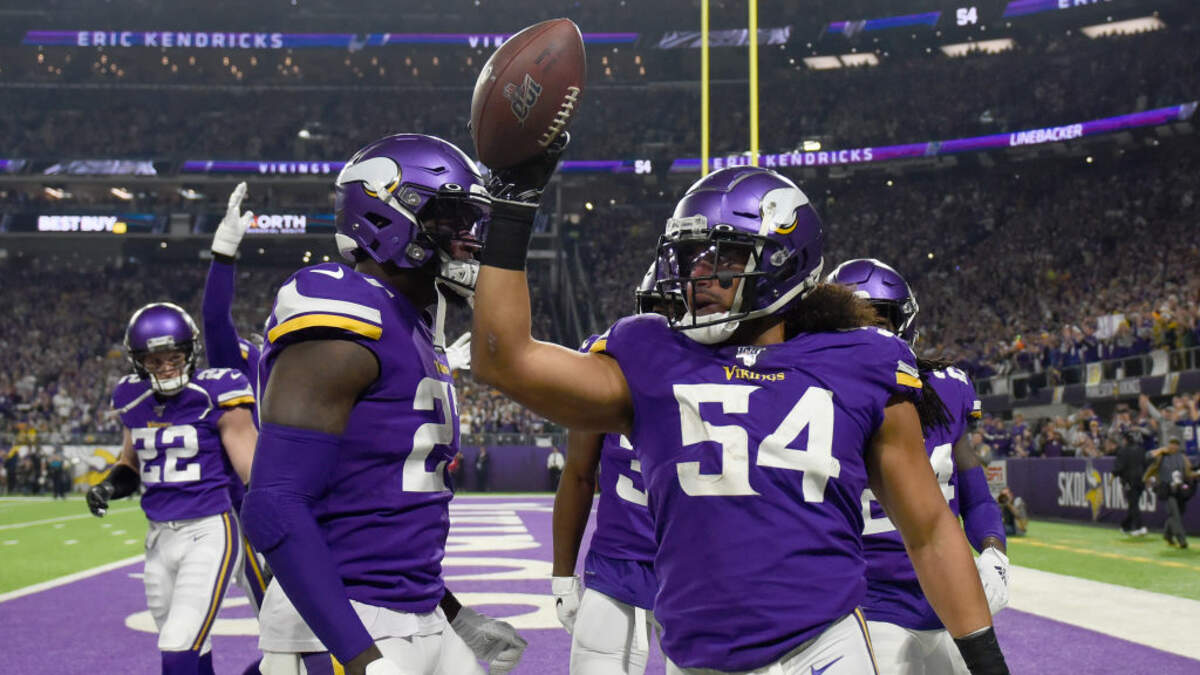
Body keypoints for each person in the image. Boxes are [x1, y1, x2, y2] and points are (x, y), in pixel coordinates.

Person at [472, 161, 1008, 674]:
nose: (697, 275)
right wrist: (515, 206)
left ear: (784, 260)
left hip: (822, 651)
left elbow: (929, 531)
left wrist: (987, 663)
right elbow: (503, 360)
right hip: (696, 659)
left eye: (722, 257)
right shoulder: (651, 353)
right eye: (690, 259)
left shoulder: (859, 361)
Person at [240, 133, 526, 675]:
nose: (469, 238)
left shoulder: (415, 325)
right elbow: (273, 506)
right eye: (451, 218)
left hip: (418, 612)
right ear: (383, 214)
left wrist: (455, 615)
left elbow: (386, 514)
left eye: (474, 222)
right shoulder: (343, 307)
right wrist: (363, 660)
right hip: (346, 621)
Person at [828, 258, 1010, 675]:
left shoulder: (948, 387)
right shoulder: (814, 396)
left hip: (952, 595)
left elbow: (975, 494)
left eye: (879, 322)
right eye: (852, 326)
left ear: (904, 324)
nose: (869, 337)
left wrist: (994, 552)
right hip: (868, 606)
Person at [86, 302, 259, 674]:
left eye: (174, 357)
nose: (165, 367)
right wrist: (107, 487)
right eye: (154, 361)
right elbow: (130, 463)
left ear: (190, 353)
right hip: (159, 538)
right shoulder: (131, 397)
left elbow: (253, 472)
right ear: (138, 362)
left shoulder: (216, 391)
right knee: (191, 643)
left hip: (209, 529)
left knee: (178, 642)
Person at [552, 267, 666, 675]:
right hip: (618, 562)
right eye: (655, 309)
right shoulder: (610, 359)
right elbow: (579, 473)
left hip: (697, 566)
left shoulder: (728, 366)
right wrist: (563, 576)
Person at [203, 181, 273, 626]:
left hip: (314, 492)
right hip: (254, 497)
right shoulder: (244, 360)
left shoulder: (319, 358)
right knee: (276, 610)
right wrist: (224, 253)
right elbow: (214, 319)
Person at [1143, 438, 1197, 548]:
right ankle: (1182, 540)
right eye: (1171, 444)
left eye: (1176, 444)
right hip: (1166, 490)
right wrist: (1160, 450)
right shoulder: (1161, 455)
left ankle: (1167, 535)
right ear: (1168, 444)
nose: (1173, 446)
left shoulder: (1182, 457)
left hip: (1179, 490)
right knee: (1175, 515)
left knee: (1177, 514)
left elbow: (1188, 473)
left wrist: (1196, 474)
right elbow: (1148, 456)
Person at [1112, 426, 1149, 536]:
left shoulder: (1123, 451)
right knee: (1134, 504)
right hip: (1141, 481)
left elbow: (1119, 468)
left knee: (1133, 504)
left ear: (1126, 439)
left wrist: (1114, 475)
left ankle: (1138, 527)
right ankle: (1126, 526)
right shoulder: (1142, 450)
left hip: (1129, 482)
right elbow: (1146, 465)